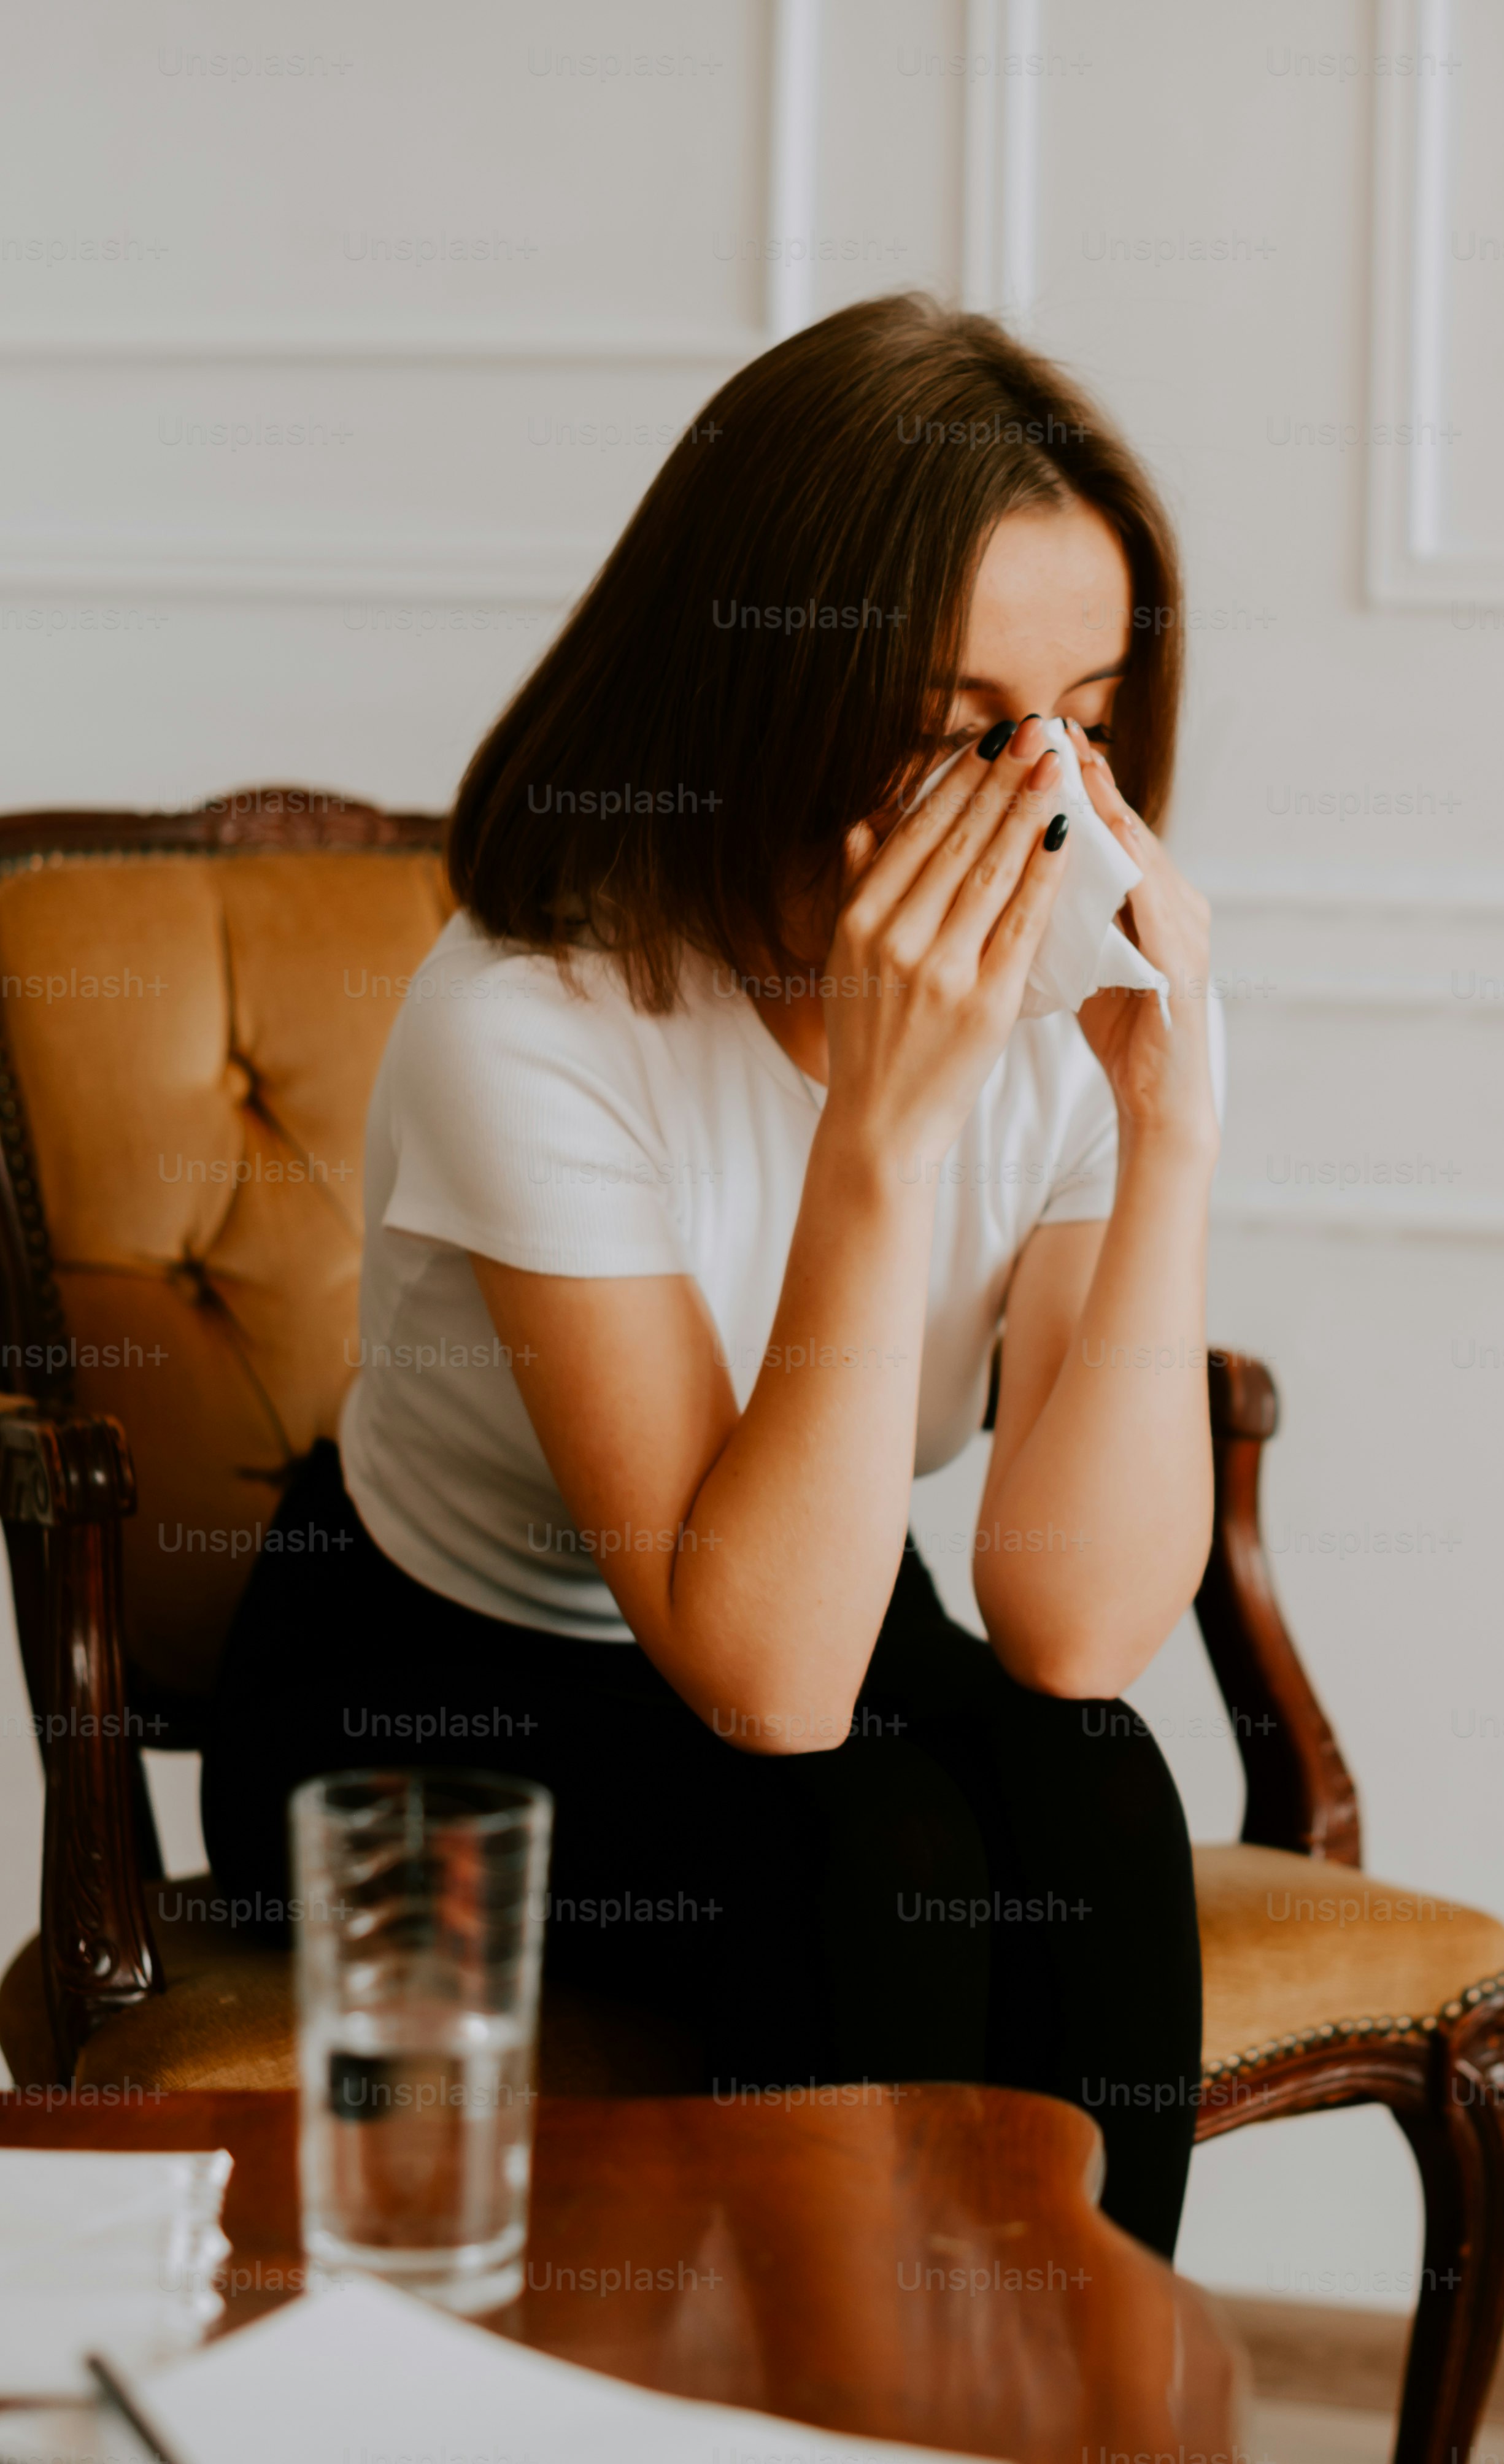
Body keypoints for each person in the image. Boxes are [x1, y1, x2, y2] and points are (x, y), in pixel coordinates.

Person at [202, 293, 1219, 2257]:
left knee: (1094, 1800)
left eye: (1085, 728)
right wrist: (881, 1136)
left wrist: (1168, 1128)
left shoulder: (1068, 999)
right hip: (434, 1683)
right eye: (954, 733)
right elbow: (767, 1690)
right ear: (759, 696)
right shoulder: (535, 1018)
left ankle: (1070, 2389)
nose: (1044, 809)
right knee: (864, 1841)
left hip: (810, 1590)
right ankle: (819, 2401)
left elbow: (1078, 1630)